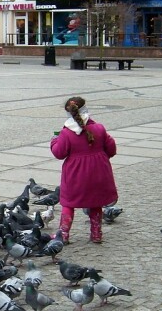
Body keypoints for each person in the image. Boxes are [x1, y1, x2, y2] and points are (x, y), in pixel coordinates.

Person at [50, 96, 118, 244]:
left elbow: (59, 153)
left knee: (68, 203)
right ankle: (96, 234)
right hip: (99, 172)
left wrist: (54, 140)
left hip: (76, 174)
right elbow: (111, 149)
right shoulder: (99, 128)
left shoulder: (66, 133)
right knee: (96, 202)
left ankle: (64, 235)